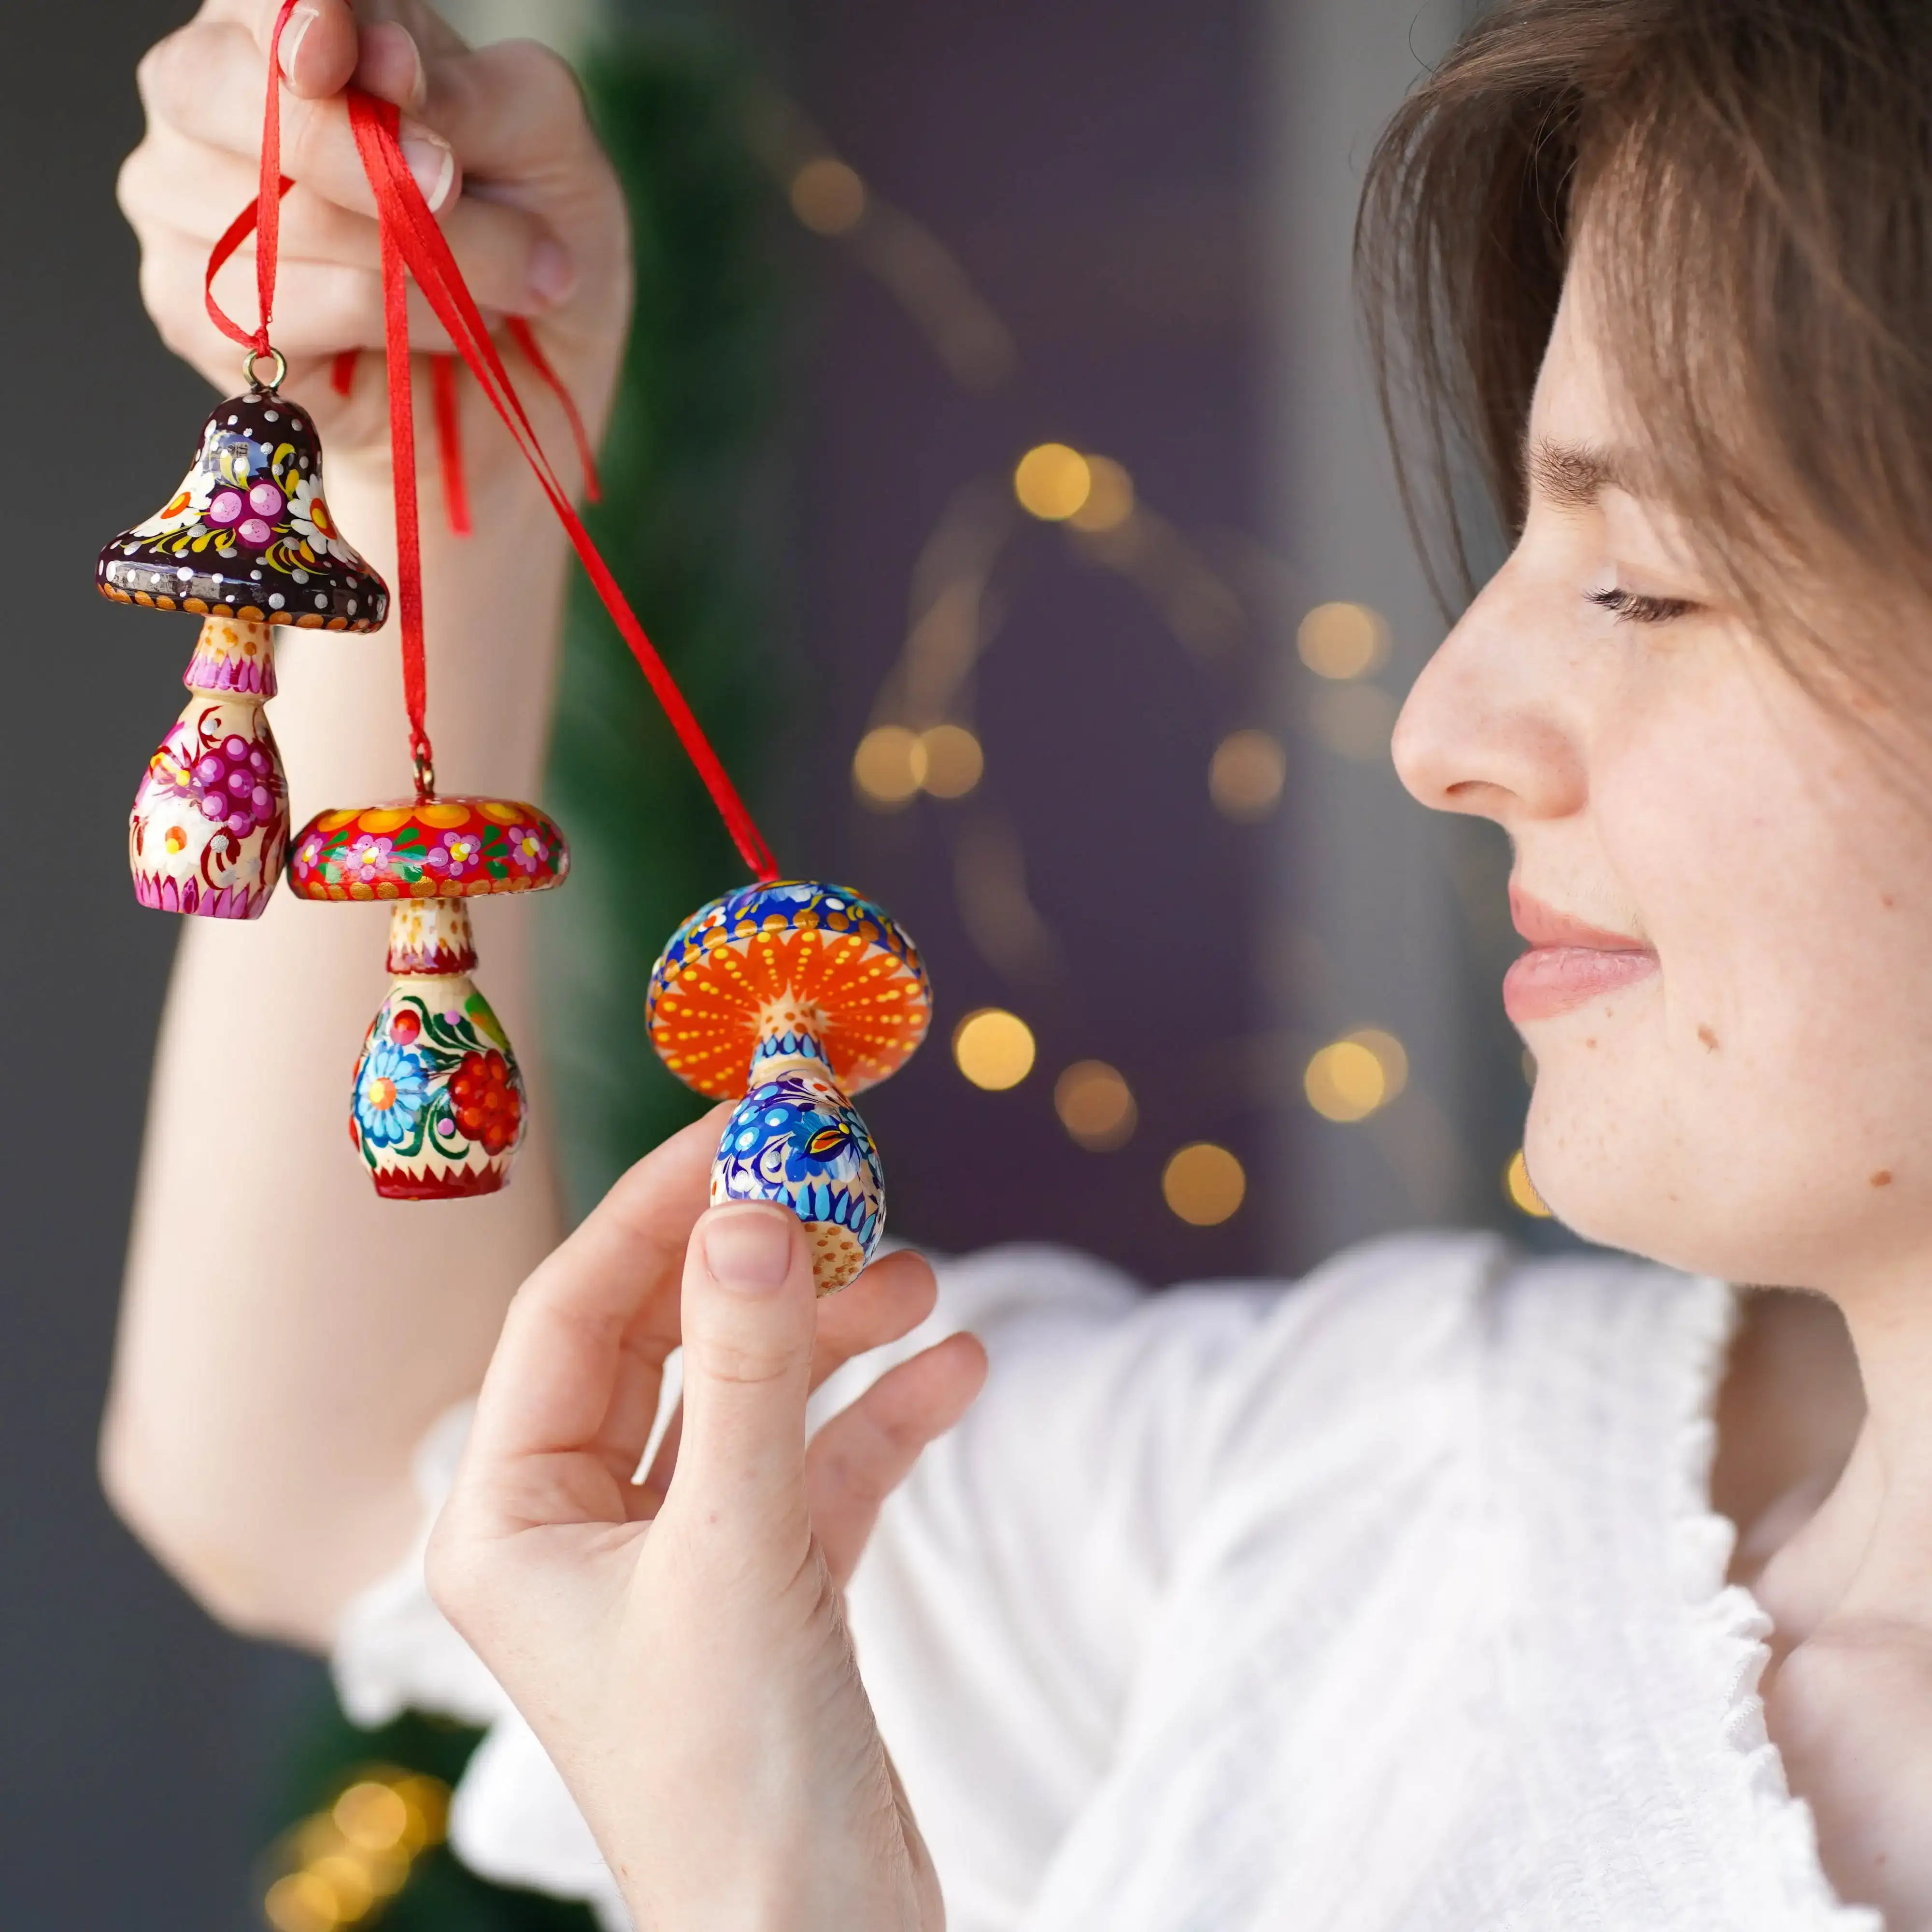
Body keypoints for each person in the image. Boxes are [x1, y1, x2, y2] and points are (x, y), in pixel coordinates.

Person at [100, 0, 1932, 1927]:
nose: (1442, 725)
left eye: (1644, 577)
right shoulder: (1376, 1495)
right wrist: (439, 472)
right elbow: (372, 1485)